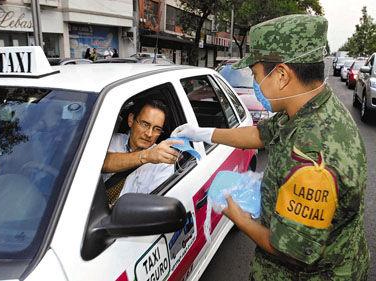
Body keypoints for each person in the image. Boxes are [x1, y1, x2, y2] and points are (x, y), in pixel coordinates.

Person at [173, 14, 369, 280]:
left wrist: (239, 217)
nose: (256, 84)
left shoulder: (313, 156)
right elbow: (259, 134)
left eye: (255, 74)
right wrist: (204, 133)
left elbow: (291, 253)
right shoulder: (307, 107)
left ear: (281, 75)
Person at [102, 99, 182, 202]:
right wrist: (146, 156)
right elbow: (99, 163)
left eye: (157, 129)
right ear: (131, 120)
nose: (149, 134)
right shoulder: (111, 141)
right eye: (145, 124)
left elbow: (154, 204)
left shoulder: (163, 163)